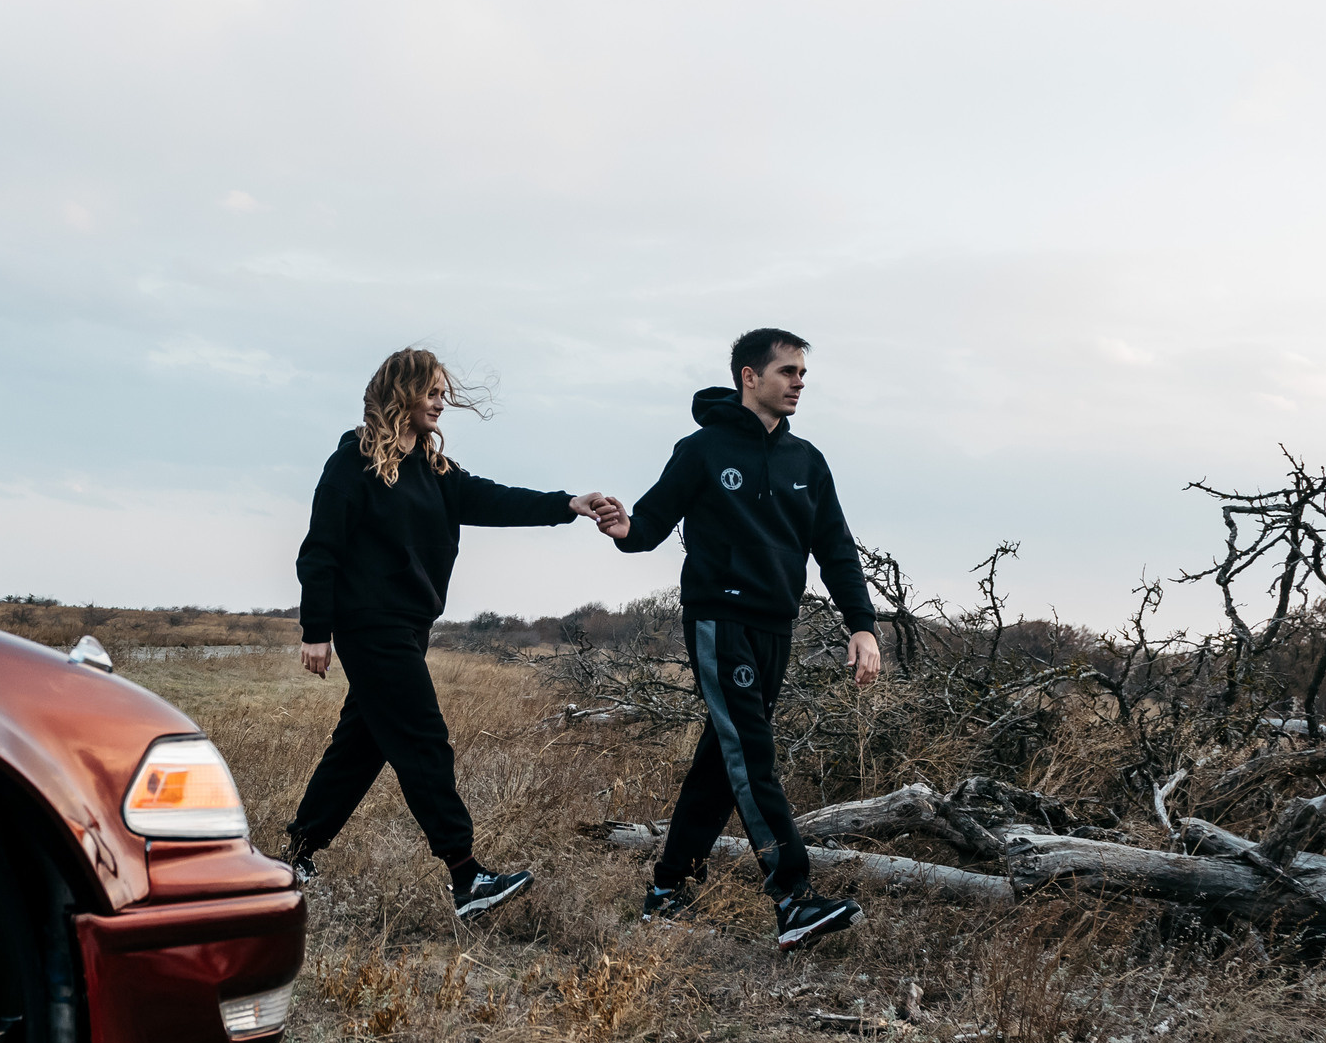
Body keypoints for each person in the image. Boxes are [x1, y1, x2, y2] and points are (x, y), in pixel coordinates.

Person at [286, 348, 627, 922]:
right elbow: (320, 548)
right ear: (402, 394)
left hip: (412, 626)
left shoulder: (436, 471)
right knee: (423, 740)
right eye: (432, 393)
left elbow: (494, 499)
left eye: (444, 394)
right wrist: (316, 629)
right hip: (370, 627)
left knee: (361, 747)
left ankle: (295, 856)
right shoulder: (354, 461)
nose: (441, 404)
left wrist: (568, 504)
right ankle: (466, 875)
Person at [604, 328, 883, 950]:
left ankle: (668, 889)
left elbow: (836, 549)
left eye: (803, 374)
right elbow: (649, 524)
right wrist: (625, 529)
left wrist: (861, 624)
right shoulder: (701, 450)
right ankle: (792, 898)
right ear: (749, 377)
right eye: (787, 372)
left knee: (721, 760)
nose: (798, 383)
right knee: (751, 754)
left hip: (774, 625)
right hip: (717, 620)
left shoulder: (806, 461)